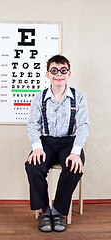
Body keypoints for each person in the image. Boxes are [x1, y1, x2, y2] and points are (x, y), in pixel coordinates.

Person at [25, 55, 89, 232]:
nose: (58, 74)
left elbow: (83, 125)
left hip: (70, 142)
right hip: (47, 142)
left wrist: (76, 151)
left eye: (63, 70)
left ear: (69, 74)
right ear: (48, 74)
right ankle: (44, 210)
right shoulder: (40, 98)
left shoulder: (79, 96)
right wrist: (37, 147)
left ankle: (59, 211)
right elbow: (32, 125)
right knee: (33, 165)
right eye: (54, 70)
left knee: (74, 167)